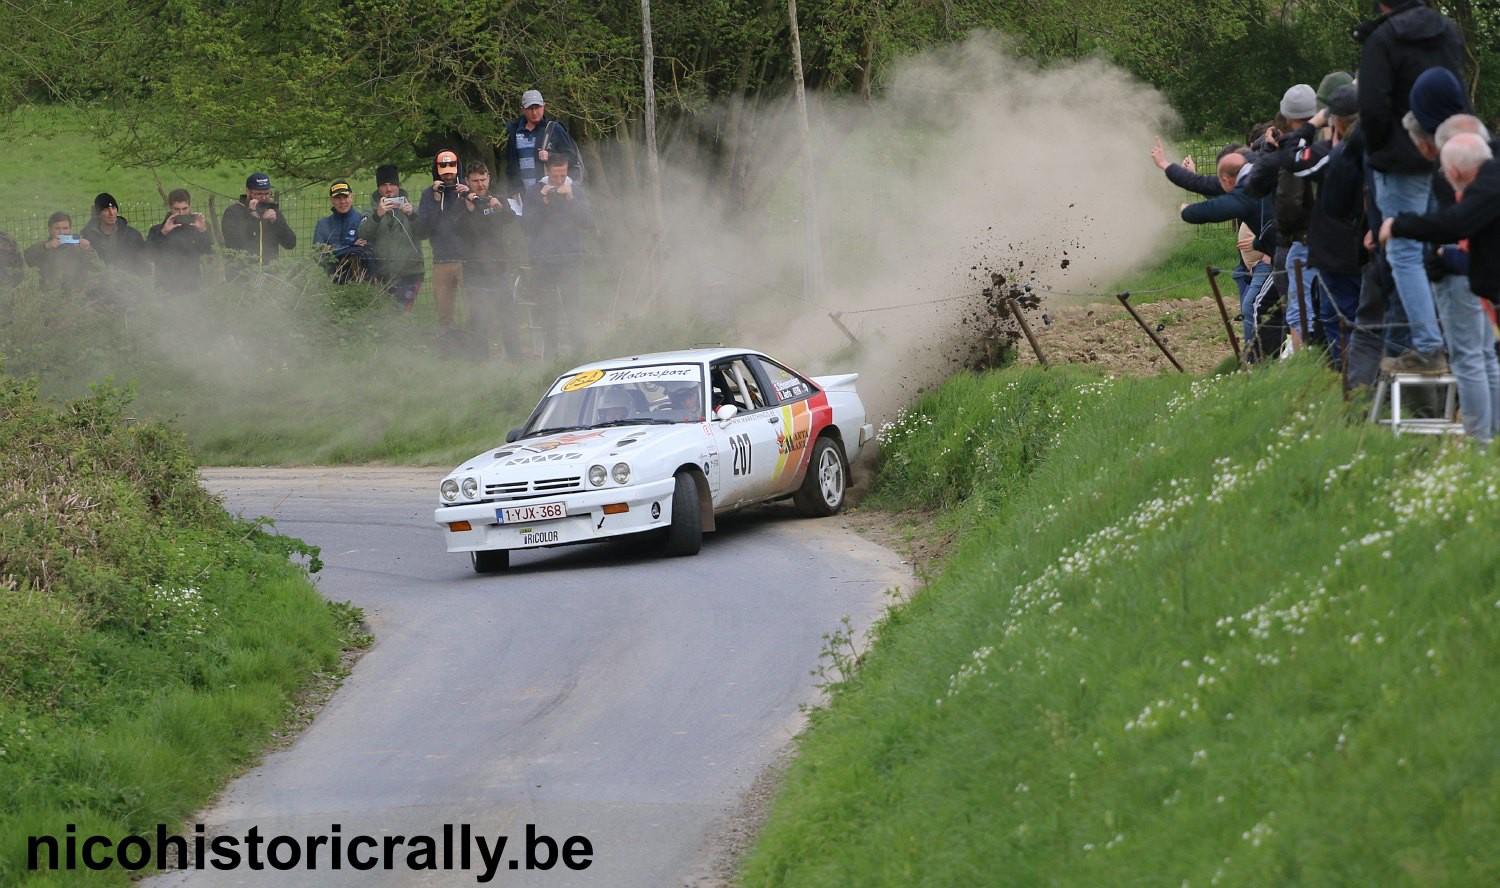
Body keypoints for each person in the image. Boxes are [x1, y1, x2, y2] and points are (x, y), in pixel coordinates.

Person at [1355, 0, 1465, 374]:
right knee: (1443, 244)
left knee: (1404, 254)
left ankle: (1429, 347)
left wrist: (1381, 149)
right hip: (1447, 154)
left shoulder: (1383, 39)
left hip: (1400, 162)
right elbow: (1457, 89)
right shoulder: (1449, 30)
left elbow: (1370, 107)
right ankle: (1456, 341)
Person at [1381, 129, 1500, 442]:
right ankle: (1492, 439)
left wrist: (1399, 225)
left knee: (1469, 358)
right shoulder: (1489, 177)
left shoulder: (1485, 188)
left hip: (1467, 287)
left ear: (1455, 173)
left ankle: (1480, 444)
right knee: (1484, 356)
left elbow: (1456, 223)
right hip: (1478, 285)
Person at [1179, 152, 1279, 356]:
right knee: (1255, 305)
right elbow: (1224, 200)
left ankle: (1257, 357)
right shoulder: (1253, 184)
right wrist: (1193, 176)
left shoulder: (1257, 187)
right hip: (1260, 261)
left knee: (1254, 305)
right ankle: (1259, 354)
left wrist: (1260, 246)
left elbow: (1270, 221)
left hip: (1269, 261)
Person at [523, 151, 593, 360]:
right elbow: (527, 226)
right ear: (547, 173)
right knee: (547, 312)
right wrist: (543, 201)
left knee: (574, 309)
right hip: (543, 261)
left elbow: (588, 222)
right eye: (555, 176)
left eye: (563, 175)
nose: (560, 180)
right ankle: (551, 358)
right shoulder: (534, 192)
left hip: (571, 259)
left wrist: (570, 198)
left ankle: (579, 355)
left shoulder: (576, 191)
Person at [458, 160, 522, 358]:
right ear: (467, 181)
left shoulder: (498, 199)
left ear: (489, 178)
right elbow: (456, 230)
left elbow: (512, 218)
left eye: (483, 179)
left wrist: (499, 208)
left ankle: (515, 358)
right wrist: (469, 211)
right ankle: (481, 362)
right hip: (474, 271)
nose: (480, 184)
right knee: (478, 317)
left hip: (499, 269)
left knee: (507, 315)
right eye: (475, 180)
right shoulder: (462, 204)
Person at [357, 164, 424, 310]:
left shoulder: (413, 207)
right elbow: (362, 233)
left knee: (401, 315)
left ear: (398, 186)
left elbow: (424, 233)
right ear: (378, 188)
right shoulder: (370, 210)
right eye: (384, 185)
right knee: (383, 316)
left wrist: (412, 215)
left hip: (410, 273)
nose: (388, 189)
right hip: (381, 274)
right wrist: (377, 216)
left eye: (392, 184)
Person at [417, 149, 470, 335]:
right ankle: (448, 346)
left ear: (458, 167)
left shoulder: (467, 190)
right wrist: (435, 201)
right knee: (444, 313)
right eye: (443, 167)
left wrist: (467, 196)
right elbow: (422, 231)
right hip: (441, 260)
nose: (448, 171)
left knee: (472, 307)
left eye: (451, 166)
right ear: (436, 169)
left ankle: (476, 344)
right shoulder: (428, 195)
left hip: (467, 260)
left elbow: (473, 222)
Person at [504, 89, 582, 200]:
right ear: (522, 110)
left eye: (537, 108)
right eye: (530, 109)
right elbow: (511, 167)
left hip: (551, 194)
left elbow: (572, 158)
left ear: (543, 106)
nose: (534, 112)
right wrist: (514, 190)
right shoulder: (514, 132)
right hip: (524, 197)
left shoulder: (554, 129)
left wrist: (550, 156)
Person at [222, 172, 297, 280]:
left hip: (270, 278)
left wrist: (276, 222)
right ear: (247, 191)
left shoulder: (273, 211)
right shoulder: (233, 212)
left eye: (267, 193)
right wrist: (253, 218)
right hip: (241, 277)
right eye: (259, 194)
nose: (264, 198)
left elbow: (290, 243)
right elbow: (234, 244)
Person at [146, 188, 213, 294]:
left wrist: (203, 231)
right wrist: (163, 233)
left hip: (192, 287)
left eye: (185, 208)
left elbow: (209, 253)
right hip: (165, 288)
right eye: (177, 209)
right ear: (170, 208)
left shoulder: (196, 229)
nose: (181, 213)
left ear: (190, 206)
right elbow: (148, 255)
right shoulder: (157, 230)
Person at [313, 180, 370, 283]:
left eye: (345, 197)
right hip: (329, 282)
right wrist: (350, 246)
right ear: (331, 200)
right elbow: (318, 254)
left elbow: (366, 253)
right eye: (338, 198)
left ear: (352, 197)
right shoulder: (323, 224)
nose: (342, 202)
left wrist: (332, 249)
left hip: (359, 284)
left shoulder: (362, 221)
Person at [24, 212, 96, 292]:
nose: (61, 232)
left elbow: (95, 266)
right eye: (57, 228)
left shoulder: (78, 247)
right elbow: (27, 258)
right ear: (50, 230)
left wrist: (88, 249)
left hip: (74, 296)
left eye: (65, 228)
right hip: (48, 296)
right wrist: (46, 246)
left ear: (70, 229)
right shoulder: (44, 247)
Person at [80, 193, 148, 275]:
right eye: (106, 209)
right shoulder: (88, 237)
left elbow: (144, 264)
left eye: (113, 208)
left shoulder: (133, 235)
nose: (111, 213)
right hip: (98, 283)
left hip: (128, 283)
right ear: (99, 214)